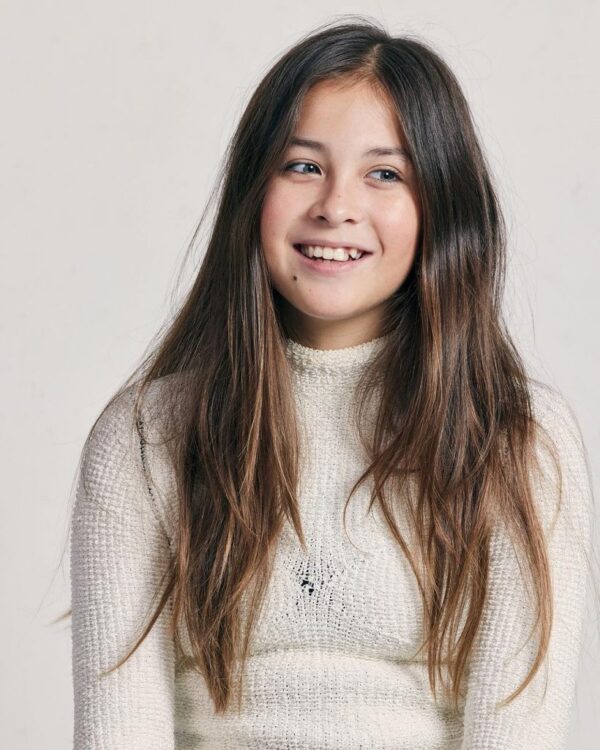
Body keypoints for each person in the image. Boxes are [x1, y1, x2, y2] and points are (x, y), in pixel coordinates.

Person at [68, 16, 594, 749]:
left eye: (385, 174)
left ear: (442, 206)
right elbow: (119, 730)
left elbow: (518, 732)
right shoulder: (145, 437)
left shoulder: (515, 437)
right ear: (253, 190)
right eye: (302, 166)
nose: (336, 206)